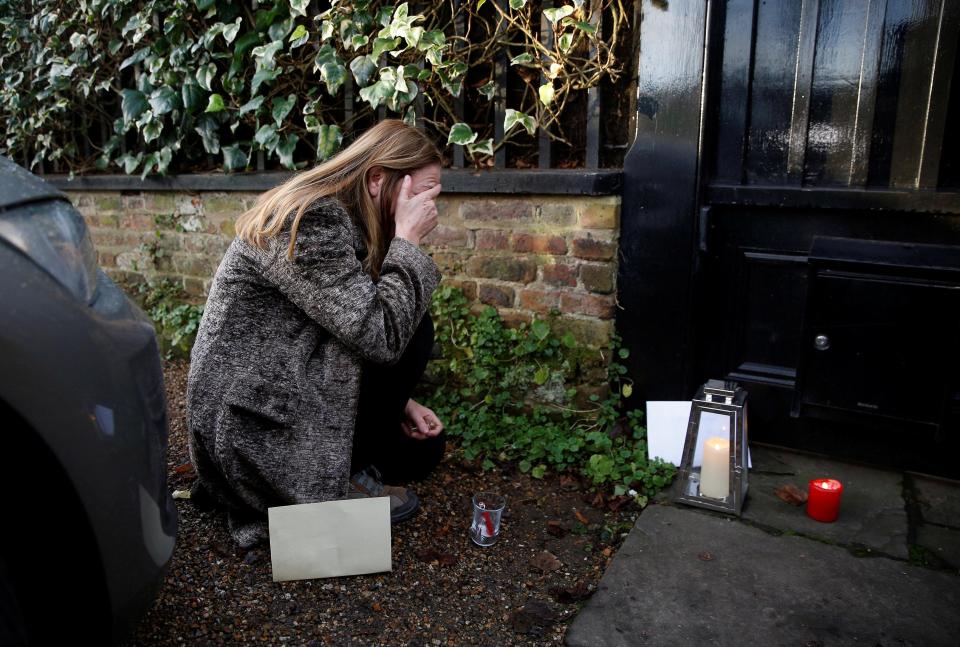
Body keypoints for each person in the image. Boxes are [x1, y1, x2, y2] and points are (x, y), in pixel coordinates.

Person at [186, 120, 446, 548]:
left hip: (285, 388)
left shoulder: (345, 220)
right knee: (413, 328)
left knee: (424, 452)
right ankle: (336, 487)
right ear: (379, 179)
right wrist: (409, 240)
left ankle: (351, 467)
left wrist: (402, 401)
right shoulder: (311, 220)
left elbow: (346, 321)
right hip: (250, 425)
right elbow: (378, 334)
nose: (430, 207)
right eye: (423, 192)